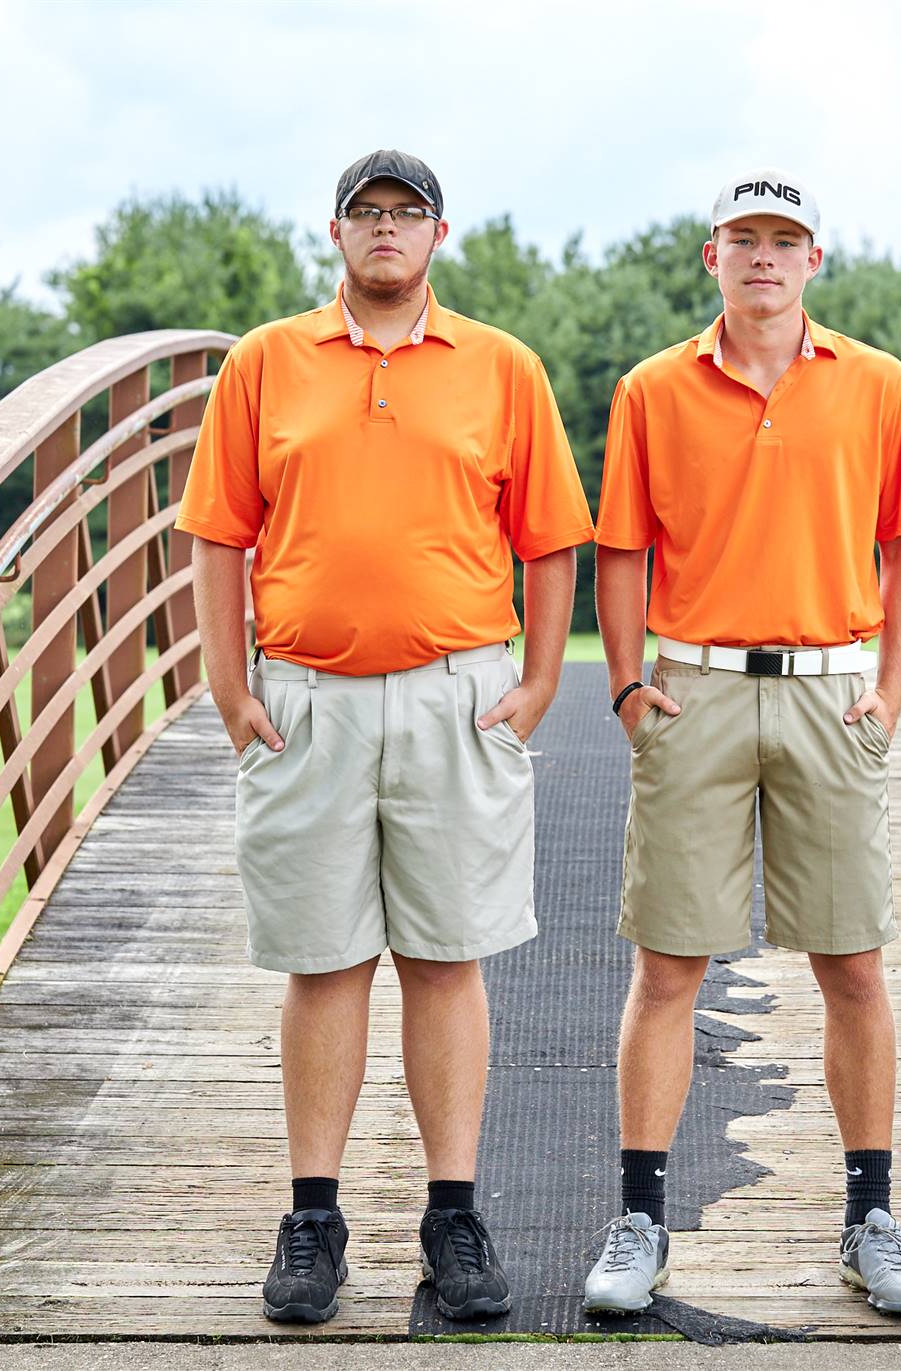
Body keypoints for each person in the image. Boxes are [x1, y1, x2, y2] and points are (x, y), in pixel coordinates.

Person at [177, 149, 595, 1325]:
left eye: (407, 216)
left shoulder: (502, 367)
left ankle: (453, 1218)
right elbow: (218, 533)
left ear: (438, 238)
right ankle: (313, 1221)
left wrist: (543, 679)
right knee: (323, 960)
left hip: (455, 694)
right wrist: (227, 682)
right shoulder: (266, 362)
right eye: (367, 214)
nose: (386, 233)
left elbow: (550, 538)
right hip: (305, 695)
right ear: (336, 233)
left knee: (446, 955)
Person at [584, 168, 901, 1317]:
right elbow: (622, 550)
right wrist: (631, 687)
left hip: (832, 694)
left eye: (786, 241)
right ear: (712, 257)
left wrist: (892, 689)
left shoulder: (878, 385)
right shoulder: (652, 389)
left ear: (815, 261)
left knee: (853, 964)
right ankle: (639, 1221)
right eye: (745, 240)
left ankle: (870, 1219)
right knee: (669, 966)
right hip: (696, 688)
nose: (765, 260)